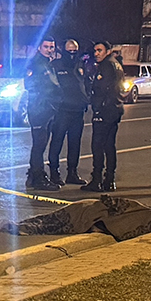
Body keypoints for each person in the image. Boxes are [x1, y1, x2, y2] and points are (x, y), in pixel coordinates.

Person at [83, 41, 124, 192]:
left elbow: (102, 89)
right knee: (109, 145)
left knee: (98, 145)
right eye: (95, 50)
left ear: (108, 51)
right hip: (114, 109)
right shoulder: (116, 64)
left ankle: (97, 180)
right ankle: (109, 180)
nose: (96, 53)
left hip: (105, 110)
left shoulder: (107, 65)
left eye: (100, 50)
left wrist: (98, 108)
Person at [48, 38, 87, 186]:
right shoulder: (56, 65)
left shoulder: (80, 65)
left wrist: (86, 100)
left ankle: (72, 173)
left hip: (78, 110)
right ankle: (54, 173)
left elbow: (86, 84)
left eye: (74, 51)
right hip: (62, 111)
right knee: (57, 141)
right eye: (69, 50)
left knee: (75, 143)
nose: (72, 53)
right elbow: (51, 87)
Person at [24, 37, 61, 191]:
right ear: (39, 47)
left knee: (40, 144)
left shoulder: (47, 63)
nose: (49, 50)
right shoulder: (37, 63)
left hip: (46, 109)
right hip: (39, 109)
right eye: (46, 47)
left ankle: (33, 176)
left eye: (52, 47)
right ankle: (38, 177)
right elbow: (32, 85)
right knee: (39, 145)